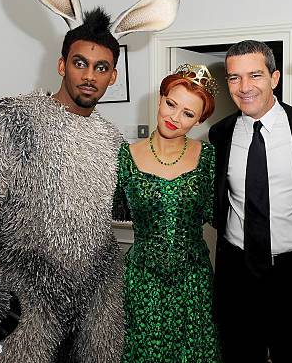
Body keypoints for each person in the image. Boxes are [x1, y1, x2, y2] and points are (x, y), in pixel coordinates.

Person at [0, 0, 179, 361]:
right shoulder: (12, 120)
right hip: (22, 308)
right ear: (62, 64)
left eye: (101, 68)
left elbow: (112, 212)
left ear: (113, 76)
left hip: (94, 310)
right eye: (81, 63)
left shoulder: (110, 139)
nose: (89, 76)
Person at [209, 40, 292, 363]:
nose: (244, 87)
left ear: (274, 78)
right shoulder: (219, 135)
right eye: (234, 78)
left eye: (255, 75)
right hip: (237, 275)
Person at [113, 64, 220, 362]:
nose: (174, 117)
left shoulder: (209, 158)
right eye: (171, 104)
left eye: (188, 113)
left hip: (193, 282)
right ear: (160, 99)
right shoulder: (124, 157)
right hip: (142, 280)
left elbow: (223, 215)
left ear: (199, 119)